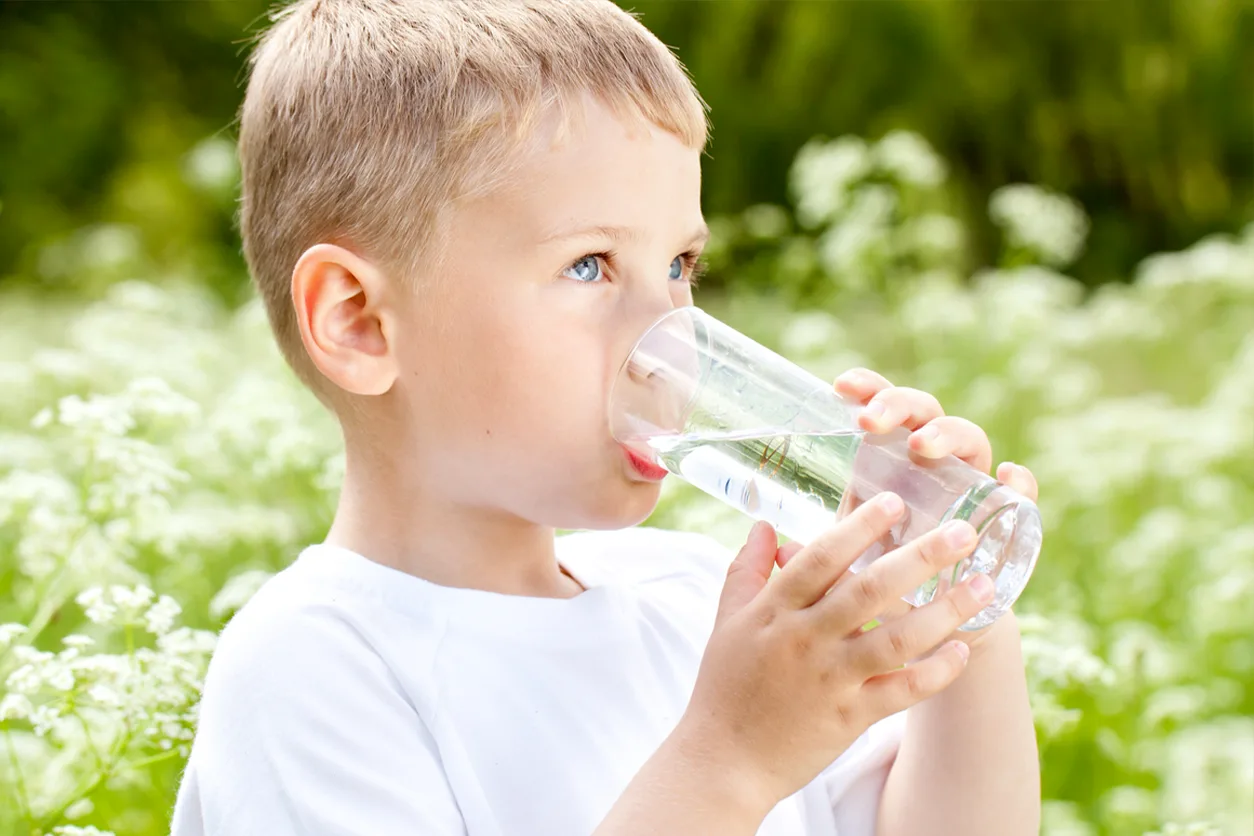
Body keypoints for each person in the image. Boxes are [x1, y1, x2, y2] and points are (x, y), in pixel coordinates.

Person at [169, 1, 1041, 833]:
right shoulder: (315, 667)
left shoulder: (698, 598)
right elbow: (728, 763)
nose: (674, 337)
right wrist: (728, 761)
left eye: (680, 266)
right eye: (589, 267)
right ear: (359, 321)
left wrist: (957, 589)